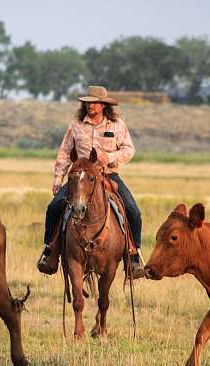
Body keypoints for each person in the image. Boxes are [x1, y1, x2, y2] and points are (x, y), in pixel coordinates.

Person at [37, 85, 144, 279]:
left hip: (108, 175)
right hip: (79, 177)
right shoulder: (76, 125)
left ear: (104, 105)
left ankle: (133, 255)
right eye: (87, 103)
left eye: (94, 102)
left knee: (132, 210)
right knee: (54, 207)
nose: (90, 106)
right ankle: (49, 251)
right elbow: (64, 153)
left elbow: (129, 150)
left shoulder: (117, 125)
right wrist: (57, 179)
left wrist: (110, 157)